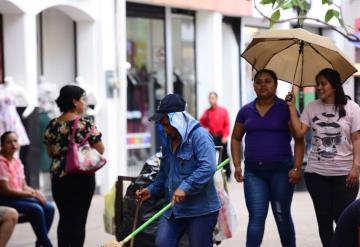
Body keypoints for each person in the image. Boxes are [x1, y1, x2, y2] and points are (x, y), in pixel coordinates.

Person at [286, 68, 360, 247]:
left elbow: (357, 138)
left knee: (343, 219)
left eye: (323, 83)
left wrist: (356, 167)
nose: (319, 87)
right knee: (324, 219)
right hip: (317, 174)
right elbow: (299, 132)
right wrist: (291, 107)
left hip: (345, 175)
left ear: (334, 86)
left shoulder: (352, 108)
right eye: (317, 83)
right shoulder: (312, 107)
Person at [231, 69, 305, 247]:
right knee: (256, 217)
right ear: (254, 86)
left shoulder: (286, 109)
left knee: (281, 214)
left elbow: (299, 138)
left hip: (281, 171)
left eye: (267, 81)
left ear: (276, 85)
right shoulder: (245, 111)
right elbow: (235, 138)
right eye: (258, 81)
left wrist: (297, 167)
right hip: (254, 173)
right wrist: (237, 165)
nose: (262, 84)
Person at [136, 94, 220, 247]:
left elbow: (208, 167)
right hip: (173, 209)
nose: (165, 129)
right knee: (162, 243)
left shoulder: (200, 136)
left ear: (178, 120)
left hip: (200, 210)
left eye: (167, 124)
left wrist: (185, 186)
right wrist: (151, 190)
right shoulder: (168, 141)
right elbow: (164, 173)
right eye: (162, 125)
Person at [44, 85, 104, 247]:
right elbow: (101, 149)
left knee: (64, 219)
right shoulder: (85, 124)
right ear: (74, 102)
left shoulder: (52, 125)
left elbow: (50, 152)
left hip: (59, 177)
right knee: (79, 220)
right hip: (81, 178)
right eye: (83, 99)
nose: (84, 103)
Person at [0, 131, 55, 247]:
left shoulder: (17, 162)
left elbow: (23, 186)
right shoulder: (1, 162)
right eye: (9, 142)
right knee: (36, 209)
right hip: (6, 199)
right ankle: (46, 243)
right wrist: (32, 195)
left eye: (15, 141)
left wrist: (35, 193)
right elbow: (6, 191)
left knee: (49, 207)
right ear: (2, 146)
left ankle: (41, 242)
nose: (13, 144)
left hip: (18, 198)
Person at [200, 92, 231, 180]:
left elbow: (227, 124)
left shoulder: (223, 111)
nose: (211, 100)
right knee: (210, 156)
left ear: (216, 99)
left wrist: (225, 135)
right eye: (210, 98)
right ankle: (210, 175)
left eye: (213, 98)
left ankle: (227, 174)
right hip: (211, 137)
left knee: (224, 156)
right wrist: (205, 129)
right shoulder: (207, 112)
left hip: (221, 137)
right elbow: (201, 122)